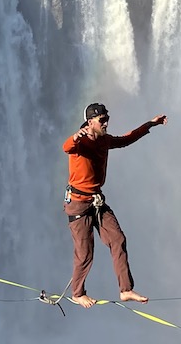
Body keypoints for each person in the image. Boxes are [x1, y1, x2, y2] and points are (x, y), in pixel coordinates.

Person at [62, 101, 167, 308]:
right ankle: (77, 293)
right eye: (102, 120)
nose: (106, 123)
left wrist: (150, 124)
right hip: (78, 205)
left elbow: (126, 139)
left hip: (97, 202)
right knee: (85, 253)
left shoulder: (104, 140)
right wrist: (76, 136)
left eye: (107, 119)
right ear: (90, 121)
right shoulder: (79, 143)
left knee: (118, 239)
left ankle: (126, 289)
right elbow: (67, 147)